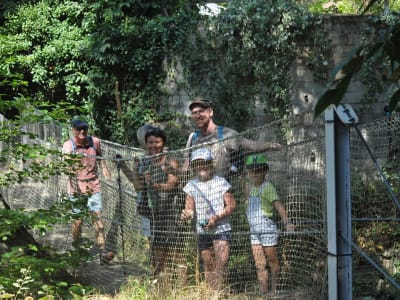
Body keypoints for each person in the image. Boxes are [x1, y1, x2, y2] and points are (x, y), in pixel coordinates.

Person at [119, 127, 186, 279]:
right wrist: (135, 170)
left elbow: (172, 184)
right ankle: (160, 286)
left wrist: (155, 185)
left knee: (176, 252)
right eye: (150, 142)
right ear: (146, 144)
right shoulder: (145, 162)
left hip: (170, 212)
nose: (153, 145)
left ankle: (182, 288)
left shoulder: (170, 160)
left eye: (157, 142)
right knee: (157, 253)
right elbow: (139, 187)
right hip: (153, 213)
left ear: (163, 143)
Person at [183, 97, 282, 179]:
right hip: (197, 193)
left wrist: (270, 145)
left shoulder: (226, 134)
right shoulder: (193, 138)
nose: (197, 115)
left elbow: (252, 145)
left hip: (220, 193)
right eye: (194, 113)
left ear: (210, 112)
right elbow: (185, 168)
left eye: (201, 111)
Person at [181, 148, 236, 289]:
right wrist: (187, 214)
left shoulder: (221, 182)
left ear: (211, 164)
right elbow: (189, 208)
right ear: (193, 167)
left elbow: (231, 205)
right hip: (202, 230)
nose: (201, 166)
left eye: (204, 162)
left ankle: (218, 293)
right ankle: (211, 292)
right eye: (197, 164)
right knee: (208, 263)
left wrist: (217, 218)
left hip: (221, 228)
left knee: (221, 263)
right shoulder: (191, 185)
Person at [62, 117, 113, 264]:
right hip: (76, 189)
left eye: (85, 128)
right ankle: (76, 249)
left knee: (98, 221)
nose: (82, 131)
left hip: (93, 187)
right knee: (78, 222)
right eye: (78, 128)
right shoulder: (68, 146)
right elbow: (66, 166)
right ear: (73, 130)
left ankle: (102, 253)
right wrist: (70, 168)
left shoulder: (95, 142)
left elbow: (100, 157)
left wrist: (105, 170)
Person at [244, 154, 295, 295]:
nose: (254, 173)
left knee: (272, 261)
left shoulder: (268, 187)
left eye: (258, 170)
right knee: (259, 264)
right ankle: (263, 292)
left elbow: (278, 205)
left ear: (264, 171)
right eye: (251, 170)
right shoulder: (250, 189)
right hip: (254, 232)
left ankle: (274, 291)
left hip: (267, 229)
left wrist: (287, 222)